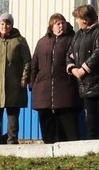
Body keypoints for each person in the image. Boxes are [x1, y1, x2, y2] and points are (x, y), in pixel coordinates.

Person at [26, 15, 81, 144]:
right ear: (51, 26)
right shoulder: (42, 42)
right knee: (47, 125)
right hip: (43, 92)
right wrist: (32, 84)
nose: (61, 26)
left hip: (66, 91)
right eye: (58, 24)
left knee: (68, 128)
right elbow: (34, 64)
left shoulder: (72, 40)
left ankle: (69, 150)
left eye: (63, 23)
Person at [0, 15, 32, 144]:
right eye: (2, 24)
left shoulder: (20, 41)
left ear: (12, 25)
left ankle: (12, 140)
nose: (5, 27)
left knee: (13, 114)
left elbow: (27, 61)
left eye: (8, 24)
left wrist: (24, 78)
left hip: (14, 84)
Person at [66, 6, 99, 143]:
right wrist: (72, 68)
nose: (76, 21)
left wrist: (84, 68)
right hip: (84, 85)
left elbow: (98, 52)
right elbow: (70, 53)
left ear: (85, 19)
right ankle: (91, 144)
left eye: (78, 19)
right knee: (90, 119)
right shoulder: (78, 35)